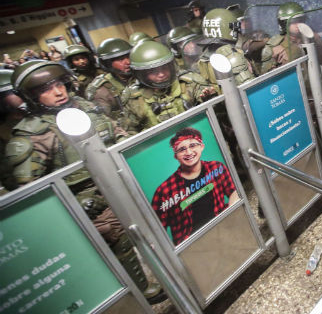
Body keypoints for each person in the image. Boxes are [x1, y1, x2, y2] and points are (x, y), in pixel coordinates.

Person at [3, 60, 166, 304]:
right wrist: (74, 203)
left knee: (149, 229)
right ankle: (139, 288)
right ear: (31, 96)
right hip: (88, 201)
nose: (58, 92)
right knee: (117, 241)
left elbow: (118, 134)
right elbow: (30, 192)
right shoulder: (33, 133)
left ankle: (164, 271)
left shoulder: (85, 109)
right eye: (46, 89)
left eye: (59, 84)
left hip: (119, 182)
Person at [151, 127, 238, 245]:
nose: (188, 152)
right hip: (193, 246)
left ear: (201, 146)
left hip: (224, 230)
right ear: (175, 155)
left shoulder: (216, 167)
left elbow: (233, 191)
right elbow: (157, 231)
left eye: (192, 145)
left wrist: (231, 217)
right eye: (182, 149)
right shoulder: (164, 191)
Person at [121, 40, 215, 132]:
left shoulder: (188, 82)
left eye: (164, 68)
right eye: (153, 71)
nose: (161, 74)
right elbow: (130, 132)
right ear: (141, 73)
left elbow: (214, 107)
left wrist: (208, 98)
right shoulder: (134, 99)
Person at [198, 8, 255, 86]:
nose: (238, 31)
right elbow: (250, 88)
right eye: (235, 28)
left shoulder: (204, 59)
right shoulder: (232, 57)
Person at [86, 38, 135, 121]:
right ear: (107, 64)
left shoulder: (142, 75)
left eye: (128, 56)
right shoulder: (101, 91)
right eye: (120, 59)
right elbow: (105, 121)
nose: (128, 62)